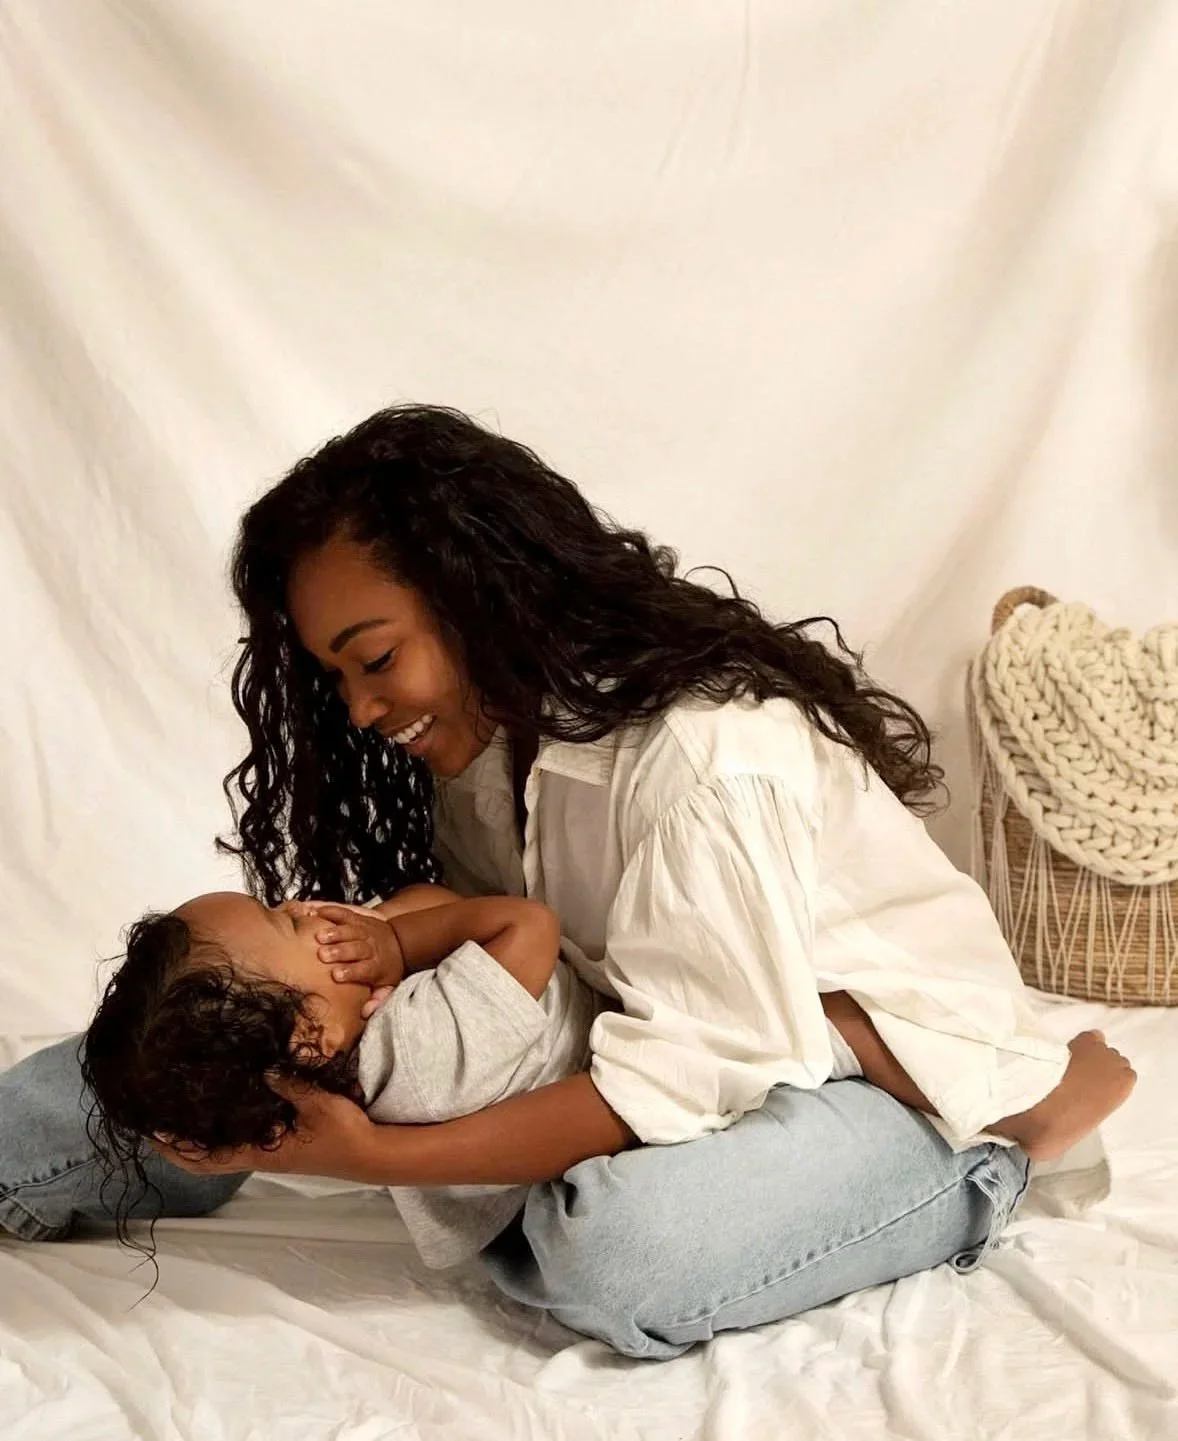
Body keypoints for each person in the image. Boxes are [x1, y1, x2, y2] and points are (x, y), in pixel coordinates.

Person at [0, 405, 1135, 1360]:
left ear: (477, 594)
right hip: (645, 1036)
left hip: (871, 1078)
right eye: (335, 675)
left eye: (376, 658)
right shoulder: (487, 742)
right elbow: (494, 964)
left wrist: (377, 1155)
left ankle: (997, 1153)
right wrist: (273, 1039)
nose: (359, 708)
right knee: (166, 1049)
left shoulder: (700, 761)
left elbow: (681, 1078)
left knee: (613, 1253)